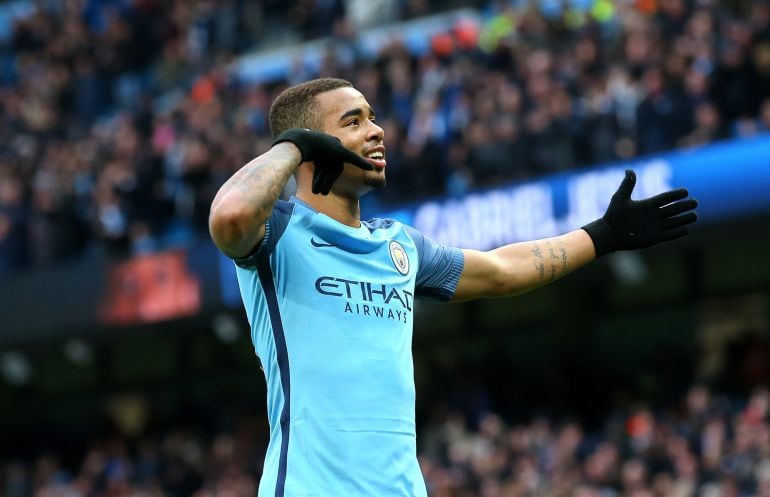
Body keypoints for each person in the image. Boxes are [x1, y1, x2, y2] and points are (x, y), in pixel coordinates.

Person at [208, 78, 698, 497]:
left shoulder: (397, 245)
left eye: (373, 118)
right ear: (312, 143)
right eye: (353, 122)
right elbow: (229, 216)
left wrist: (601, 236)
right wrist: (291, 147)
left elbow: (502, 270)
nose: (377, 131)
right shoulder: (275, 234)